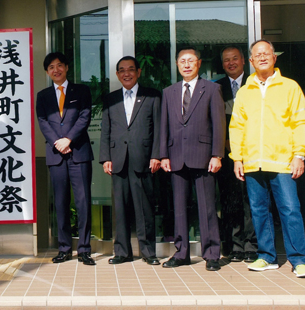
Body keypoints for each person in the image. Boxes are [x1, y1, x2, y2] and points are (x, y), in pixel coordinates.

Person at [229, 39, 305, 277]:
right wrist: (238, 158)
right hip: (252, 161)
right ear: (250, 61)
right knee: (259, 211)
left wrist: (299, 155)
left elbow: (299, 122)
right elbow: (237, 126)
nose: (262, 57)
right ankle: (267, 256)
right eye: (257, 55)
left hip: (282, 161)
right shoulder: (244, 92)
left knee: (290, 209)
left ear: (274, 57)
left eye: (266, 54)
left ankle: (299, 259)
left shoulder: (290, 87)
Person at [160, 46, 225, 271]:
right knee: (179, 207)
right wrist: (163, 155)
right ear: (177, 65)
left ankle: (212, 254)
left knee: (207, 207)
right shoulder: (169, 92)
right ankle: (182, 253)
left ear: (198, 63)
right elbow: (163, 127)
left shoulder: (211, 89)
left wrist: (217, 154)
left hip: (204, 156)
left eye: (190, 61)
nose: (186, 65)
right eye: (182, 61)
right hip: (176, 156)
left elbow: (219, 124)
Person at [99, 56, 161, 265]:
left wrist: (156, 154)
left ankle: (148, 252)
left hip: (143, 159)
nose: (127, 73)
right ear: (117, 74)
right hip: (118, 160)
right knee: (120, 209)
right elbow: (106, 131)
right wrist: (105, 157)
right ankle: (122, 252)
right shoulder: (110, 99)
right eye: (122, 70)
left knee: (144, 209)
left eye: (131, 69)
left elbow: (159, 128)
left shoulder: (151, 96)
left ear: (139, 71)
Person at [36, 52, 95, 265]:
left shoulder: (81, 90)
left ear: (67, 67)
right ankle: (64, 249)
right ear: (47, 71)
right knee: (60, 203)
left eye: (59, 65)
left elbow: (85, 116)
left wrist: (68, 139)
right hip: (56, 155)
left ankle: (85, 249)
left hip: (79, 153)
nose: (56, 70)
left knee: (83, 201)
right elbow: (43, 122)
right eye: (51, 67)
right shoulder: (42, 96)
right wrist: (57, 142)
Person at [216, 46, 257, 263]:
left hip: (251, 152)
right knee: (229, 200)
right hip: (226, 153)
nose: (231, 63)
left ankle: (251, 245)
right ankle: (234, 245)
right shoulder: (216, 87)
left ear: (243, 60)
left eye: (234, 59)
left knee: (250, 201)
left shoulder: (255, 83)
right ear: (222, 64)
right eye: (226, 60)